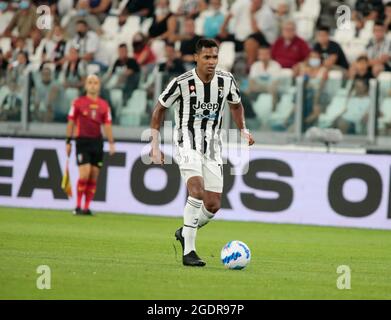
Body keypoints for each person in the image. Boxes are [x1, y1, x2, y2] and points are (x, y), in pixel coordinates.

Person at [149, 39, 255, 266]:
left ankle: (184, 231)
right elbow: (159, 109)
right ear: (196, 58)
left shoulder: (226, 80)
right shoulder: (181, 83)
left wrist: (243, 130)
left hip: (214, 146)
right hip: (187, 142)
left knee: (213, 204)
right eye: (206, 57)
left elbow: (236, 105)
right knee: (195, 190)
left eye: (215, 57)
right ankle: (189, 252)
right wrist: (155, 146)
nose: (211, 62)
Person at [65, 74, 115, 216]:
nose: (93, 85)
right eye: (90, 82)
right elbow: (71, 122)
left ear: (99, 86)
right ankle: (78, 206)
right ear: (86, 85)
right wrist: (68, 141)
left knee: (94, 176)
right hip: (82, 141)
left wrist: (111, 143)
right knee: (85, 174)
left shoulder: (104, 105)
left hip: (97, 142)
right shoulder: (78, 103)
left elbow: (107, 125)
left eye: (95, 82)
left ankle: (86, 208)